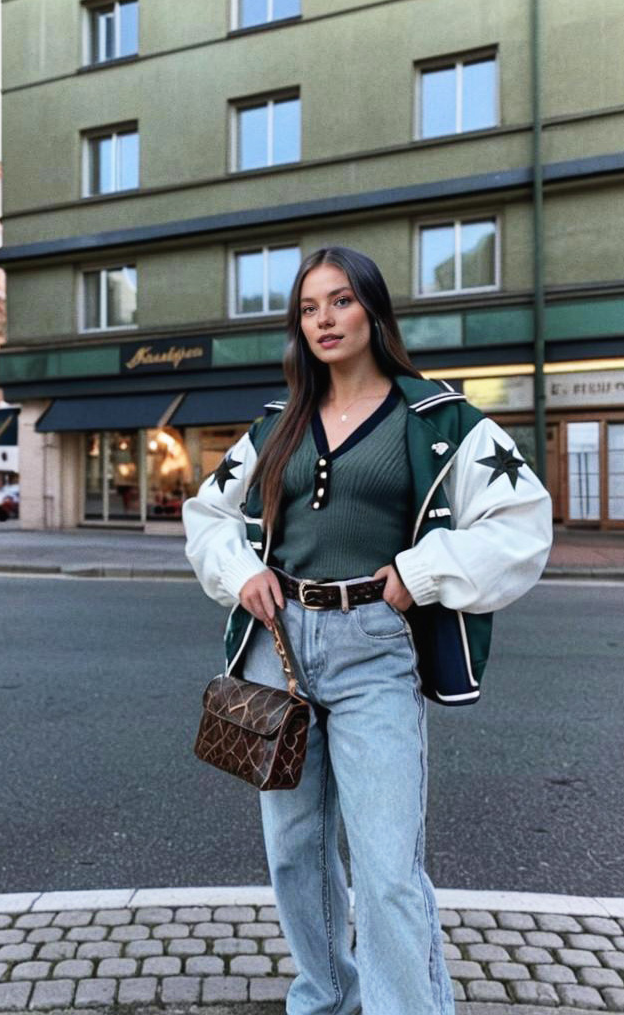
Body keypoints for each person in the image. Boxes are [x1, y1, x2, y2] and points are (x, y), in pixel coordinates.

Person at [182, 246, 552, 1015]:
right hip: (275, 646)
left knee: (386, 865)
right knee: (293, 852)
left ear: (373, 311)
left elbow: (522, 522)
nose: (323, 318)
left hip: (375, 645)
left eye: (340, 300)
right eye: (309, 307)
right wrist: (238, 569)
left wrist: (419, 573)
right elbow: (208, 512)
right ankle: (324, 997)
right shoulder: (275, 424)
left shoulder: (439, 419)